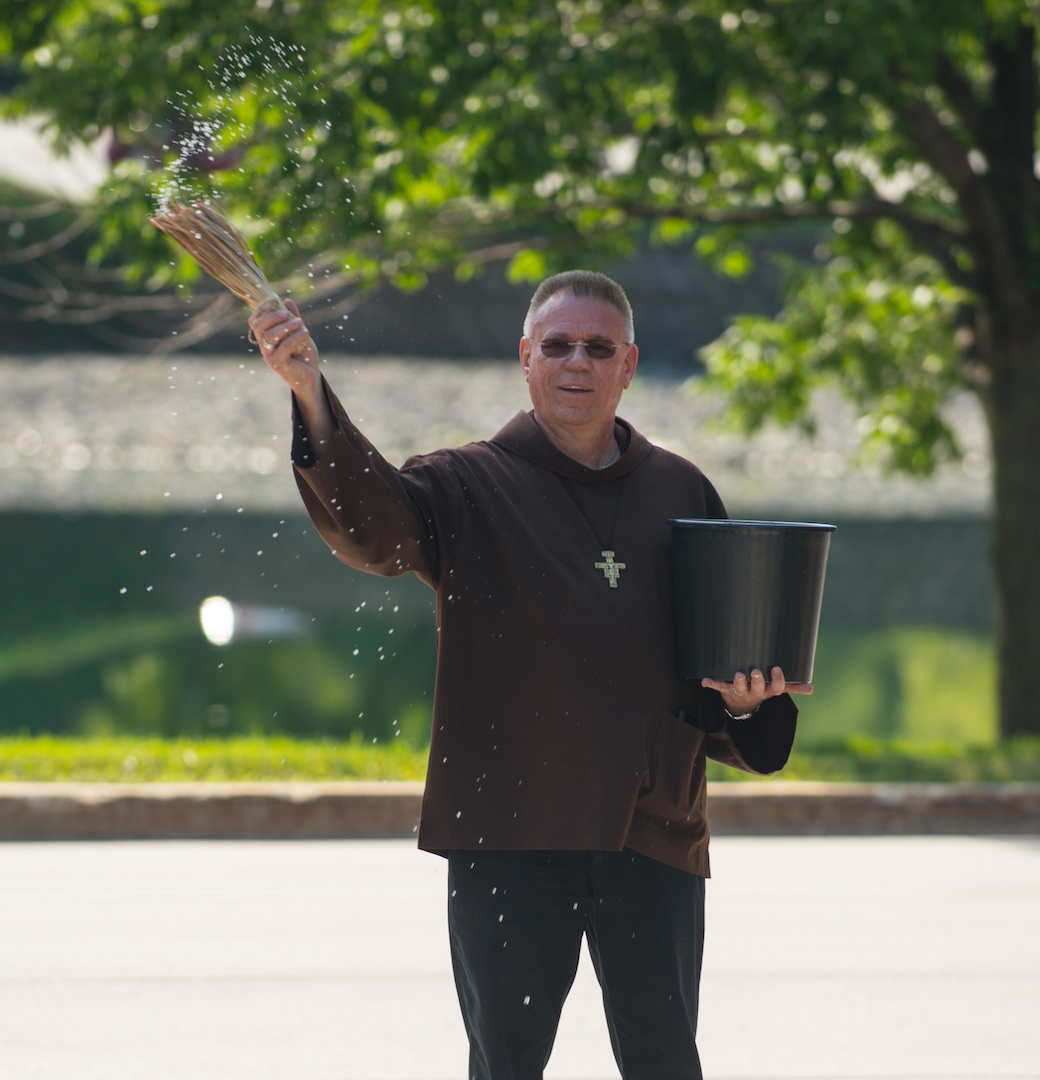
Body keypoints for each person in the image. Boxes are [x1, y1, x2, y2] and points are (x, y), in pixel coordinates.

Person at [250, 271, 810, 1080]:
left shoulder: (681, 491)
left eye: (597, 347)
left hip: (652, 830)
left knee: (665, 1064)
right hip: (509, 835)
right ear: (525, 358)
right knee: (504, 1067)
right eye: (557, 345)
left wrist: (754, 706)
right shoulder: (464, 484)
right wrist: (309, 392)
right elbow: (375, 533)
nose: (576, 361)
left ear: (628, 364)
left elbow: (724, 676)